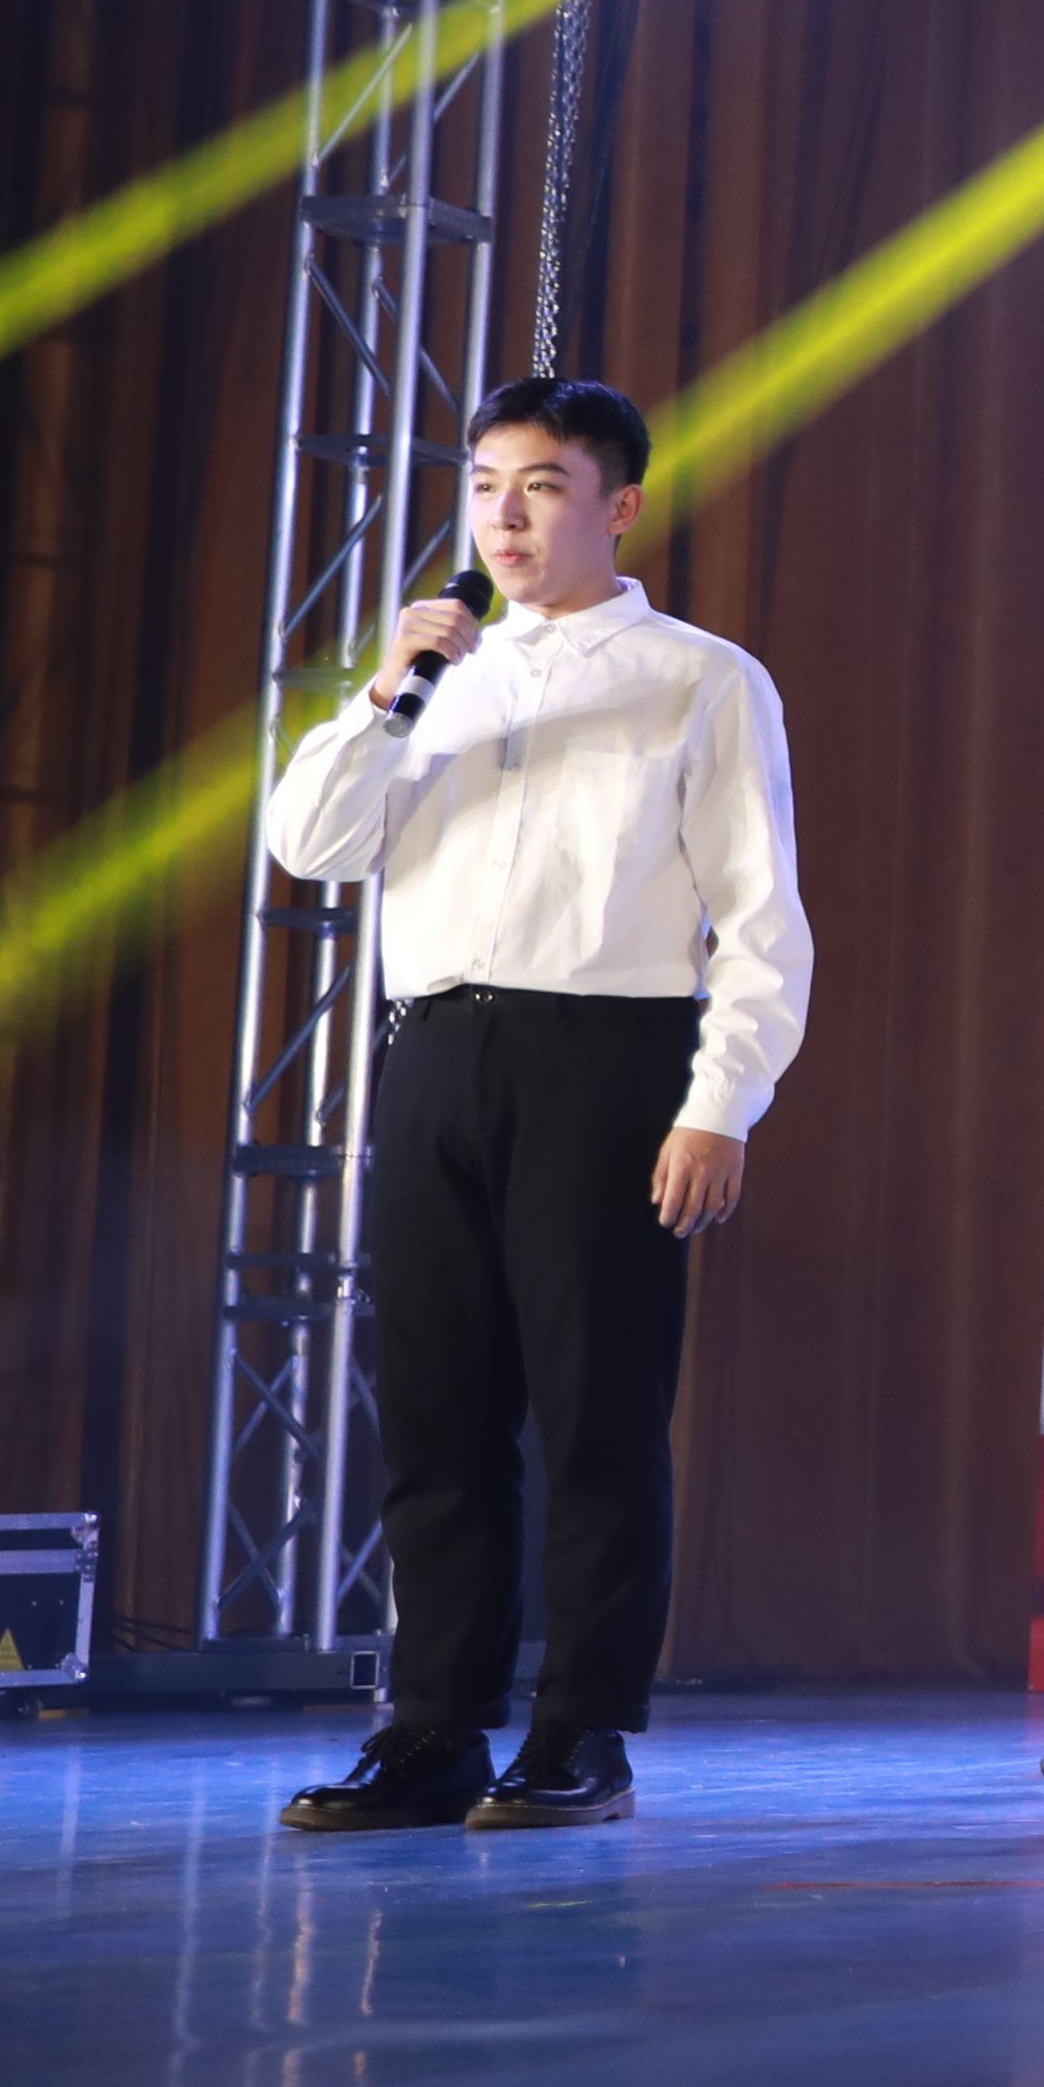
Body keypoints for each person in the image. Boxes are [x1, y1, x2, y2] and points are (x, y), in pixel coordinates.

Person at [255, 376, 812, 1839]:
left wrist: (721, 1102)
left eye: (544, 485)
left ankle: (581, 1731)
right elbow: (310, 842)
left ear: (619, 507)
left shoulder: (701, 677)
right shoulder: (441, 676)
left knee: (596, 1411)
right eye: (487, 483)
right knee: (435, 1411)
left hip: (606, 1057)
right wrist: (383, 692)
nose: (506, 515)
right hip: (434, 1051)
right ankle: (433, 1724)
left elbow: (762, 915)